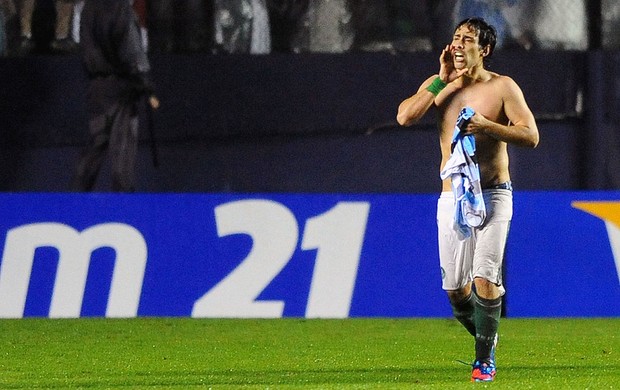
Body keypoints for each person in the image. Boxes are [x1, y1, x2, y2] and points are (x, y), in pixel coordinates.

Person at [396, 17, 539, 382]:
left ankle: (483, 362)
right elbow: (405, 117)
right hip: (453, 198)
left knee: (484, 279)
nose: (459, 45)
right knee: (456, 291)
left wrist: (488, 127)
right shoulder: (439, 84)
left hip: (493, 194)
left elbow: (530, 135)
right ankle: (487, 340)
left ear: (485, 50)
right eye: (456, 38)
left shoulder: (503, 87)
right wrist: (441, 78)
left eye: (468, 39)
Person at [70, 0, 159, 192]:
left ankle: (75, 196)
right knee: (123, 151)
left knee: (95, 144)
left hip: (97, 88)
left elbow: (84, 44)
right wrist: (144, 80)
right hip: (122, 90)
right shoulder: (120, 9)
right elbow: (131, 50)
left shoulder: (89, 8)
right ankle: (122, 203)